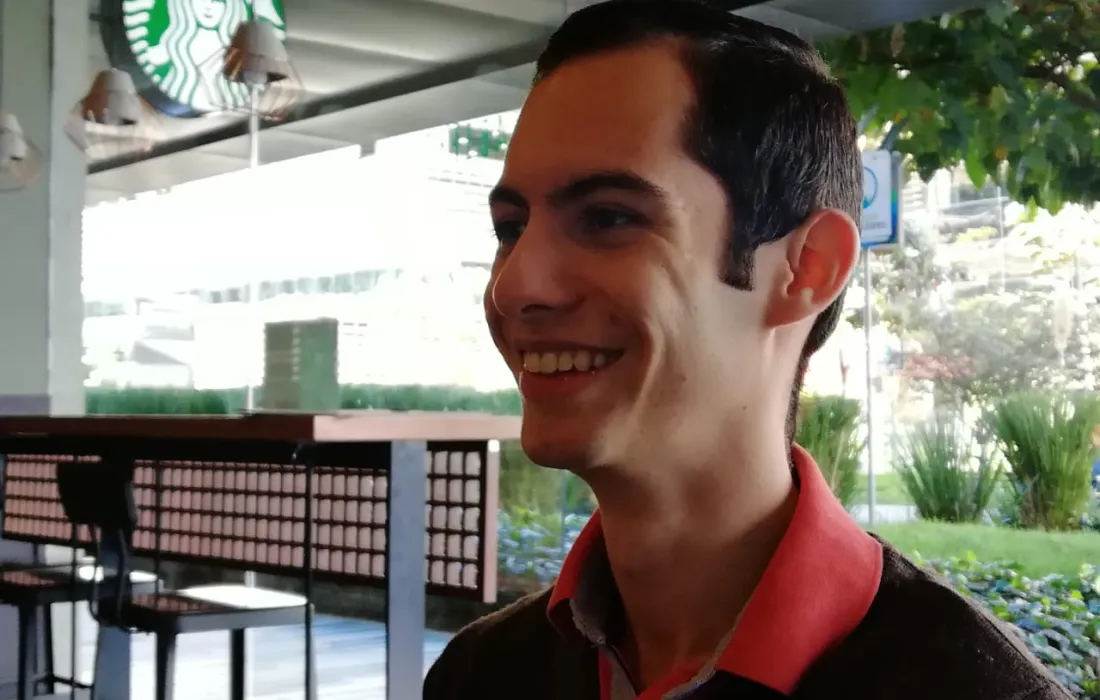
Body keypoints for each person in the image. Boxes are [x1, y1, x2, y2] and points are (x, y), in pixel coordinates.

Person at [424, 1, 1074, 698]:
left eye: (609, 217)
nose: (516, 286)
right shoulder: (481, 674)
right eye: (511, 228)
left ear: (807, 268)